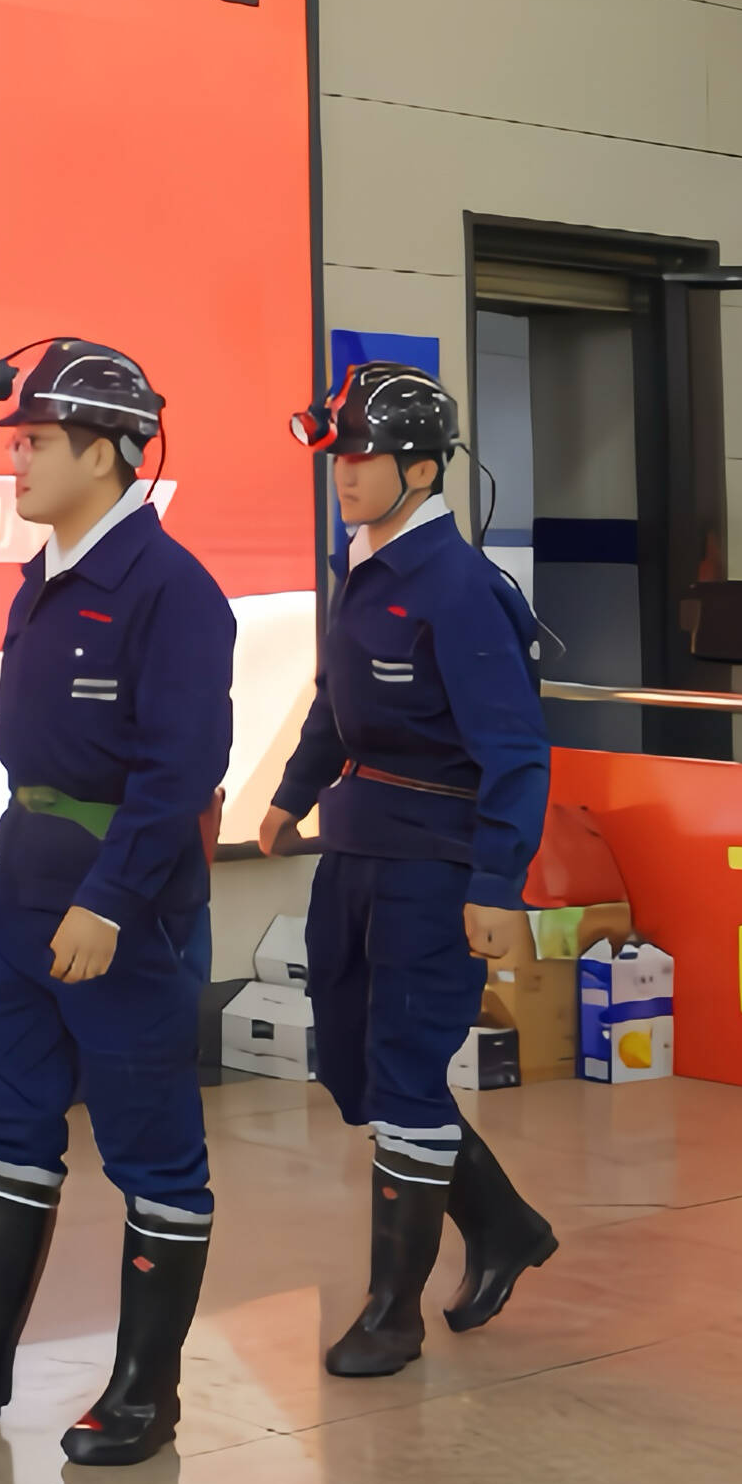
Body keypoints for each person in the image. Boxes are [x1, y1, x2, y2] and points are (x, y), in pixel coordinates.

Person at [0, 337, 237, 1468]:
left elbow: (180, 771)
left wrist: (110, 901)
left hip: (121, 908)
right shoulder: (44, 579)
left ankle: (145, 1394)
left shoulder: (172, 592)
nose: (15, 460)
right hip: (26, 889)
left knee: (151, 1149)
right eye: (14, 440)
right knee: (12, 1122)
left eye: (34, 440)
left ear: (107, 451)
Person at [256, 359, 557, 1377]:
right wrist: (292, 793)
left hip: (434, 862)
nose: (343, 471)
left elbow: (516, 751)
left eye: (364, 454)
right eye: (337, 454)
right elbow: (335, 703)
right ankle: (506, 1225)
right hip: (355, 847)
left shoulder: (461, 589)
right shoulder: (364, 564)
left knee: (405, 1071)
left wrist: (496, 884)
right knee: (353, 1065)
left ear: (422, 468)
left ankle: (393, 1313)